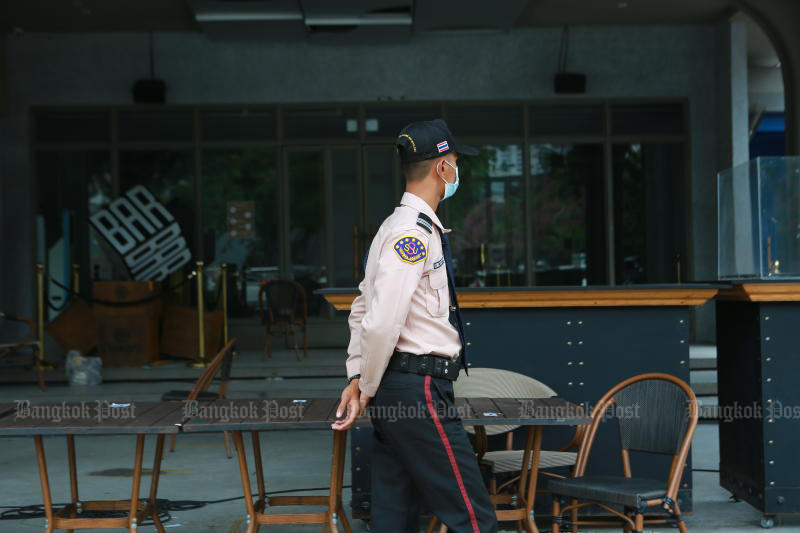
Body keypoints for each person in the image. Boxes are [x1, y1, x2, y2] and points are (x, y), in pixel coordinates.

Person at [331, 119, 498, 533]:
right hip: (417, 388)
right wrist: (364, 385)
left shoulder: (395, 228)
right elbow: (381, 321)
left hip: (397, 386)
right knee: (473, 517)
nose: (458, 171)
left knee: (394, 515)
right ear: (443, 168)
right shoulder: (411, 234)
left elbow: (360, 309)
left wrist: (359, 376)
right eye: (456, 162)